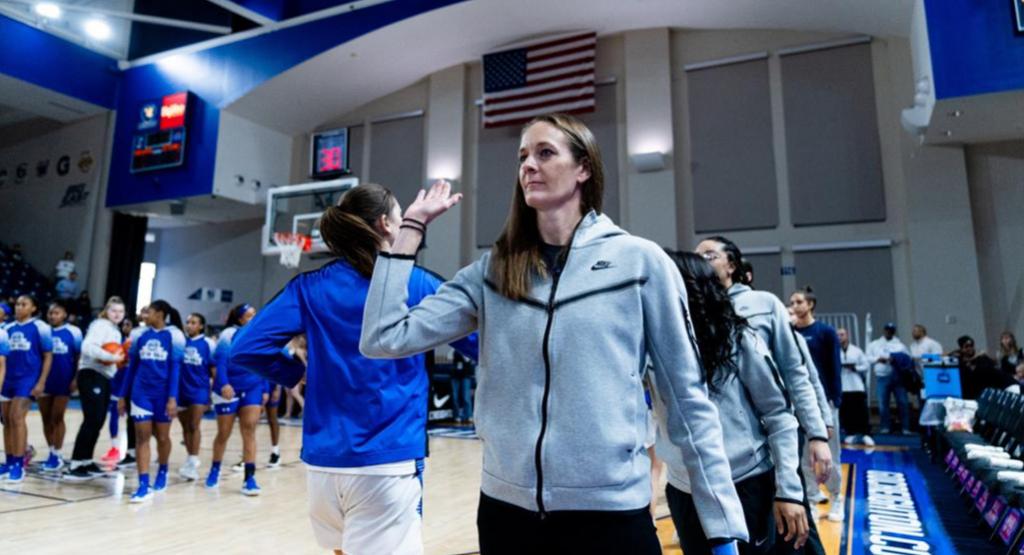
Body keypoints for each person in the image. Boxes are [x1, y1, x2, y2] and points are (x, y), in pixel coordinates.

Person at [361, 115, 747, 554]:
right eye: (523, 156)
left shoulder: (640, 263)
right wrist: (409, 232)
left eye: (545, 153)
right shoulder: (494, 271)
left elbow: (686, 400)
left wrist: (721, 528)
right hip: (507, 513)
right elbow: (383, 338)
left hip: (611, 514)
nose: (528, 165)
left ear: (583, 168)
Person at [229, 182, 477, 555]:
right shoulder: (416, 283)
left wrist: (294, 375)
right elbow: (481, 344)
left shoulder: (309, 287)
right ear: (388, 224)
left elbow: (246, 348)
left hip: (323, 468)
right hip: (386, 464)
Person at [656, 251, 807, 555]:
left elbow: (779, 414)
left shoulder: (739, 339)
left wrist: (789, 491)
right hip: (684, 489)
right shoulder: (653, 344)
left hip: (746, 483)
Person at [694, 236, 831, 555]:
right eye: (696, 256)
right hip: (728, 449)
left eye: (710, 255)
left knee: (794, 525)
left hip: (773, 434)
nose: (701, 260)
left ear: (732, 265)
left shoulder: (764, 305)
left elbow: (798, 373)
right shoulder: (693, 310)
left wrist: (817, 433)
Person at [118, 300, 184, 503]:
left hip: (163, 394)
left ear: (161, 314)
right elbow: (131, 367)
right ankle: (143, 484)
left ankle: (162, 469)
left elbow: (175, 369)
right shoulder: (138, 335)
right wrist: (122, 395)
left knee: (162, 437)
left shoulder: (175, 336)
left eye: (150, 312)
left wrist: (173, 398)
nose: (145, 316)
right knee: (142, 437)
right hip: (141, 393)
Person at [789, 287, 843, 522]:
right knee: (803, 456)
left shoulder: (825, 332)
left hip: (824, 402)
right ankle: (811, 497)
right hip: (798, 403)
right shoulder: (789, 333)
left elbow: (834, 367)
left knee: (829, 453)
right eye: (791, 302)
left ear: (810, 304)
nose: (794, 306)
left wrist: (834, 400)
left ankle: (836, 498)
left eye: (799, 301)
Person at [65, 296, 127, 482]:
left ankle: (86, 460)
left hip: (103, 376)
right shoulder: (100, 325)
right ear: (106, 311)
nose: (117, 314)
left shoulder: (114, 330)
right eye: (114, 310)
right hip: (91, 374)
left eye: (121, 311)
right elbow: (87, 347)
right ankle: (76, 464)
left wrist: (119, 361)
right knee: (92, 419)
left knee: (98, 420)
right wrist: (113, 357)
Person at [206, 303, 263, 495]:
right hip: (230, 386)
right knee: (224, 433)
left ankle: (250, 478)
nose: (254, 318)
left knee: (250, 431)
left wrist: (265, 387)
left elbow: (264, 363)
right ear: (240, 319)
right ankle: (215, 469)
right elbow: (220, 362)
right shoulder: (228, 334)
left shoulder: (260, 334)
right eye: (249, 316)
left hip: (252, 385)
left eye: (255, 314)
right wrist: (223, 384)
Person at [0, 295, 53, 483]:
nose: (19, 307)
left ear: (33, 308)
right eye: (17, 304)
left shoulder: (41, 328)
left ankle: (19, 464)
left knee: (16, 418)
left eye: (24, 304)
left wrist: (41, 382)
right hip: (8, 380)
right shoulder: (6, 329)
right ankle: (9, 461)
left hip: (28, 379)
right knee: (6, 421)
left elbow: (48, 356)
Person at [39, 300, 82, 471]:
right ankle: (51, 451)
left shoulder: (74, 332)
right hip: (45, 380)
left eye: (56, 313)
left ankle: (57, 452)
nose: (53, 316)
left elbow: (79, 357)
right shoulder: (43, 331)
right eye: (50, 313)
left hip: (64, 379)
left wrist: (76, 379)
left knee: (57, 417)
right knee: (45, 418)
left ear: (64, 314)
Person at [178, 313, 214, 481]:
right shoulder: (180, 342)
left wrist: (212, 393)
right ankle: (190, 458)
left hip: (199, 390)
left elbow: (213, 370)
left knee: (194, 425)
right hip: (180, 390)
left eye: (193, 323)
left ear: (201, 326)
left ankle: (193, 459)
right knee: (185, 426)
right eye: (188, 322)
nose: (189, 325)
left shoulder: (208, 344)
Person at [866, 323, 910, 434]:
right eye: (887, 330)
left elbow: (907, 359)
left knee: (903, 402)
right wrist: (878, 359)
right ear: (884, 330)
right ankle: (885, 426)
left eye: (891, 330)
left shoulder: (900, 345)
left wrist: (895, 359)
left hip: (897, 377)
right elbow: (867, 357)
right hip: (882, 376)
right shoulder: (875, 344)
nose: (889, 332)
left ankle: (905, 427)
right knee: (883, 403)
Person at [837, 328, 872, 446]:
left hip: (856, 386)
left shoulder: (857, 351)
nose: (840, 337)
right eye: (838, 335)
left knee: (861, 411)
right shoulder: (835, 351)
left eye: (842, 335)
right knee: (846, 412)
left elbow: (866, 366)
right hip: (843, 386)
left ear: (847, 336)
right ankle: (850, 434)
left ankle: (865, 435)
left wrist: (855, 368)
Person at [955, 335, 1012, 400]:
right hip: (970, 395)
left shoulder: (982, 358)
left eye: (971, 345)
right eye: (966, 346)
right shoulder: (959, 362)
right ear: (961, 348)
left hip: (987, 393)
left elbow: (995, 370)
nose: (970, 348)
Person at [450, 350, 475, 423]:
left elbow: (467, 360)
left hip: (465, 376)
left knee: (466, 397)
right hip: (455, 375)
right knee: (455, 397)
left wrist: (463, 352)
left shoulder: (467, 350)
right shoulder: (455, 350)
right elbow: (450, 357)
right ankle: (456, 415)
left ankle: (468, 415)